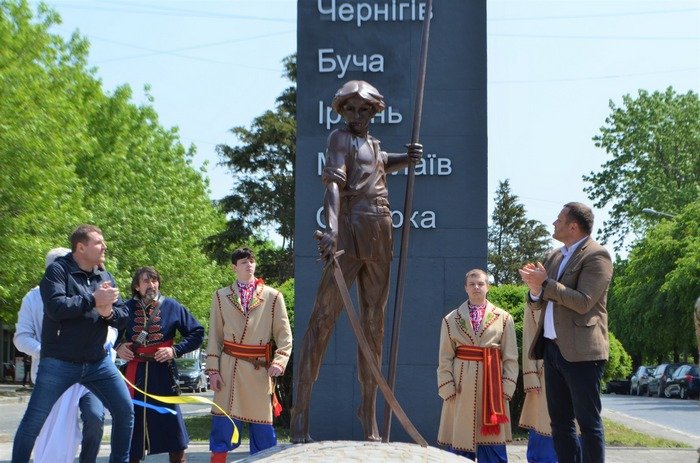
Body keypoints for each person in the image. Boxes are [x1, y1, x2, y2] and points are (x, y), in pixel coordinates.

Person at [291, 80, 422, 443]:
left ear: (375, 112)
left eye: (364, 110)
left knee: (374, 323)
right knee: (323, 317)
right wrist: (331, 229)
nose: (357, 115)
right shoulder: (339, 139)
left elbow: (378, 164)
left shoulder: (374, 145)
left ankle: (368, 411)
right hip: (349, 228)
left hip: (381, 229)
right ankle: (301, 409)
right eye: (350, 109)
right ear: (341, 111)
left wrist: (405, 159)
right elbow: (333, 185)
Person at [12, 225, 134, 463]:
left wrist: (108, 312)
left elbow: (122, 318)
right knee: (33, 421)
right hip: (59, 362)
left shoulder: (104, 275)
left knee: (125, 410)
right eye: (99, 242)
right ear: (81, 247)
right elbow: (57, 308)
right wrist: (93, 299)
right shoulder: (57, 272)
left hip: (97, 363)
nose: (105, 247)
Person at [519, 202, 613, 463]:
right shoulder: (554, 255)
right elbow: (539, 300)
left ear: (573, 226)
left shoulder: (597, 255)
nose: (554, 223)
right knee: (559, 423)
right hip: (552, 349)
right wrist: (534, 288)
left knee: (588, 423)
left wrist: (545, 284)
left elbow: (584, 301)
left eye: (559, 219)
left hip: (583, 353)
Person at [206, 248, 292, 461]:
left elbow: (284, 335)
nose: (249, 265)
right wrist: (213, 371)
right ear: (234, 267)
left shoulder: (273, 296)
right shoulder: (220, 296)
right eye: (243, 262)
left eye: (251, 261)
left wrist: (280, 361)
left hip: (259, 370)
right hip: (229, 369)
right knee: (222, 426)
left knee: (263, 430)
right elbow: (215, 336)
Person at [116, 266, 204, 463]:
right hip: (134, 375)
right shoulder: (125, 308)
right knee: (132, 431)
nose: (151, 285)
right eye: (146, 281)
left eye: (154, 280)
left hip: (163, 375)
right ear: (137, 286)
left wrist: (174, 350)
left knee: (173, 431)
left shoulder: (172, 306)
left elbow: (197, 332)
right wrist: (118, 346)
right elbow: (106, 331)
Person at [436, 269, 518, 462]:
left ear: (488, 287)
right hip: (460, 390)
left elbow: (511, 358)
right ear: (465, 288)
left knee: (493, 449)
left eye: (480, 283)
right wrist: (447, 388)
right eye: (472, 284)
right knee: (459, 447)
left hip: (493, 391)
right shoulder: (450, 320)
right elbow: (445, 357)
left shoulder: (504, 318)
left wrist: (506, 389)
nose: (476, 287)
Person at [519, 303, 558, 463]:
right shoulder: (535, 297)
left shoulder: (579, 289)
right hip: (544, 371)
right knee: (543, 422)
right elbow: (529, 338)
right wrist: (531, 376)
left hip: (574, 370)